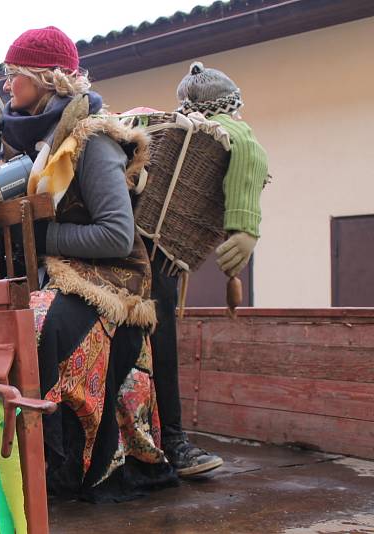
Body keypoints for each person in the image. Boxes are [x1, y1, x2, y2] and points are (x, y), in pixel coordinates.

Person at [0, 26, 176, 502]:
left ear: (44, 79)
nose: (5, 86)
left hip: (112, 281)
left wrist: (46, 240)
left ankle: (62, 464)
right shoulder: (31, 144)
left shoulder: (93, 140)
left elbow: (116, 234)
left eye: (13, 75)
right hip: (62, 274)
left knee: (41, 325)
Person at [147, 62, 268, 477]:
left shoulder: (161, 132)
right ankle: (174, 442)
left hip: (119, 248)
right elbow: (250, 152)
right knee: (162, 350)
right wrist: (244, 228)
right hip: (158, 255)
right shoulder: (230, 130)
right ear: (230, 105)